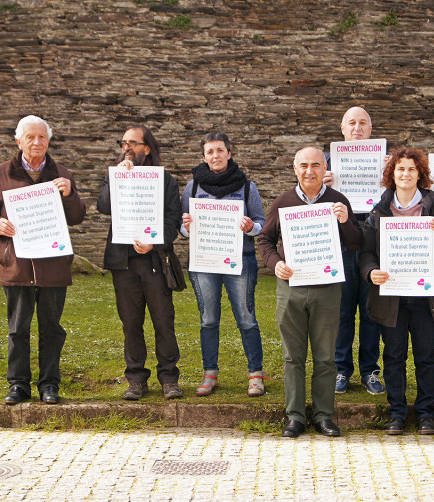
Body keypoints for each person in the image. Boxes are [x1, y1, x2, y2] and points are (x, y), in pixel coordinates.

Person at [0, 115, 86, 405]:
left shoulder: (61, 173)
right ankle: (18, 384)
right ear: (18, 141)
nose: (36, 142)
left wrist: (70, 193)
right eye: (30, 137)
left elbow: (76, 217)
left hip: (53, 264)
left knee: (52, 328)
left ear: (48, 141)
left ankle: (49, 384)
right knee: (18, 328)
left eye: (42, 137)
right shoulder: (1, 173)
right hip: (18, 265)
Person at [257, 147, 362, 438]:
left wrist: (345, 222)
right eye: (303, 165)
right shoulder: (283, 202)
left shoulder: (338, 200)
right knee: (293, 356)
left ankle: (324, 416)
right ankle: (295, 416)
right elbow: (264, 239)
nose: (309, 171)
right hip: (291, 289)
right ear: (295, 168)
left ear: (324, 167)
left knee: (326, 357)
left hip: (327, 290)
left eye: (315, 165)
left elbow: (356, 243)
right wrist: (274, 263)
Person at [359, 147, 434, 435]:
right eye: (400, 169)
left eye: (411, 169)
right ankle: (397, 412)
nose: (405, 174)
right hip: (392, 295)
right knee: (393, 355)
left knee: (427, 355)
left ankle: (427, 413)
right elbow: (366, 254)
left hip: (426, 296)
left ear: (420, 175)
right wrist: (370, 272)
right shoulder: (378, 211)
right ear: (392, 174)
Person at [96, 126, 183, 400]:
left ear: (147, 148)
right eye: (123, 143)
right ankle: (135, 379)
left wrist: (154, 244)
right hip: (123, 263)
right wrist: (117, 178)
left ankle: (169, 378)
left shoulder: (164, 180)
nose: (127, 148)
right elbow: (103, 206)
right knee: (131, 322)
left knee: (162, 320)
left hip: (154, 261)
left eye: (133, 143)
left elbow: (173, 221)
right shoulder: (115, 175)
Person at [180, 132, 267, 397]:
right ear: (203, 157)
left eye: (220, 150)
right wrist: (185, 228)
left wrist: (251, 227)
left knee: (247, 318)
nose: (215, 156)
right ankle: (210, 374)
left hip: (239, 261)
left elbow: (261, 222)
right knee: (208, 320)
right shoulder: (192, 187)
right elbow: (182, 229)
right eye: (210, 152)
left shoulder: (247, 187)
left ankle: (255, 375)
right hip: (205, 261)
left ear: (229, 153)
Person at [322, 106, 384, 396]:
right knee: (342, 310)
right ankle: (341, 369)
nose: (357, 128)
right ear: (342, 128)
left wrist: (390, 176)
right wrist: (324, 187)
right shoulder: (324, 164)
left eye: (363, 123)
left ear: (370, 129)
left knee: (371, 309)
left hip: (374, 240)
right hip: (340, 242)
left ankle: (370, 370)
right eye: (352, 123)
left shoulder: (385, 162)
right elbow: (307, 199)